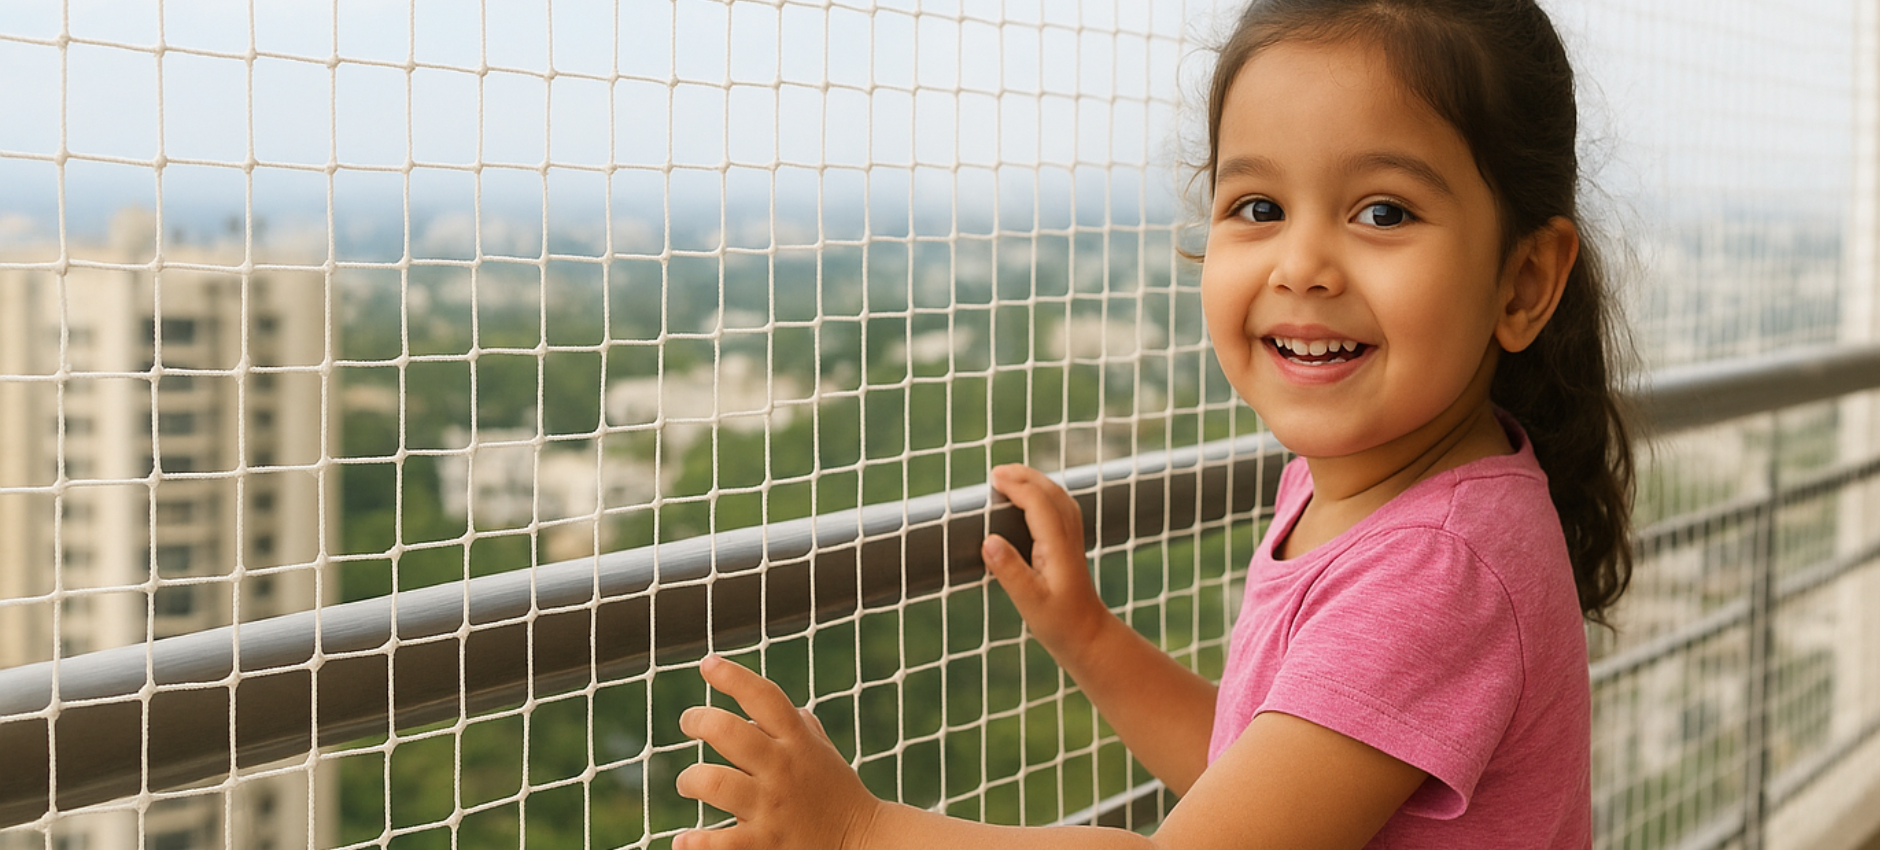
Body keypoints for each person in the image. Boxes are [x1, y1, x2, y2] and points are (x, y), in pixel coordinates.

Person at [673, 0, 1635, 846]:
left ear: (1524, 281)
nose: (1304, 264)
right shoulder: (1355, 486)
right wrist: (1089, 636)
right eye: (1258, 205)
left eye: (1382, 212)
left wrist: (858, 832)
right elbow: (1253, 778)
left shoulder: (1440, 565)